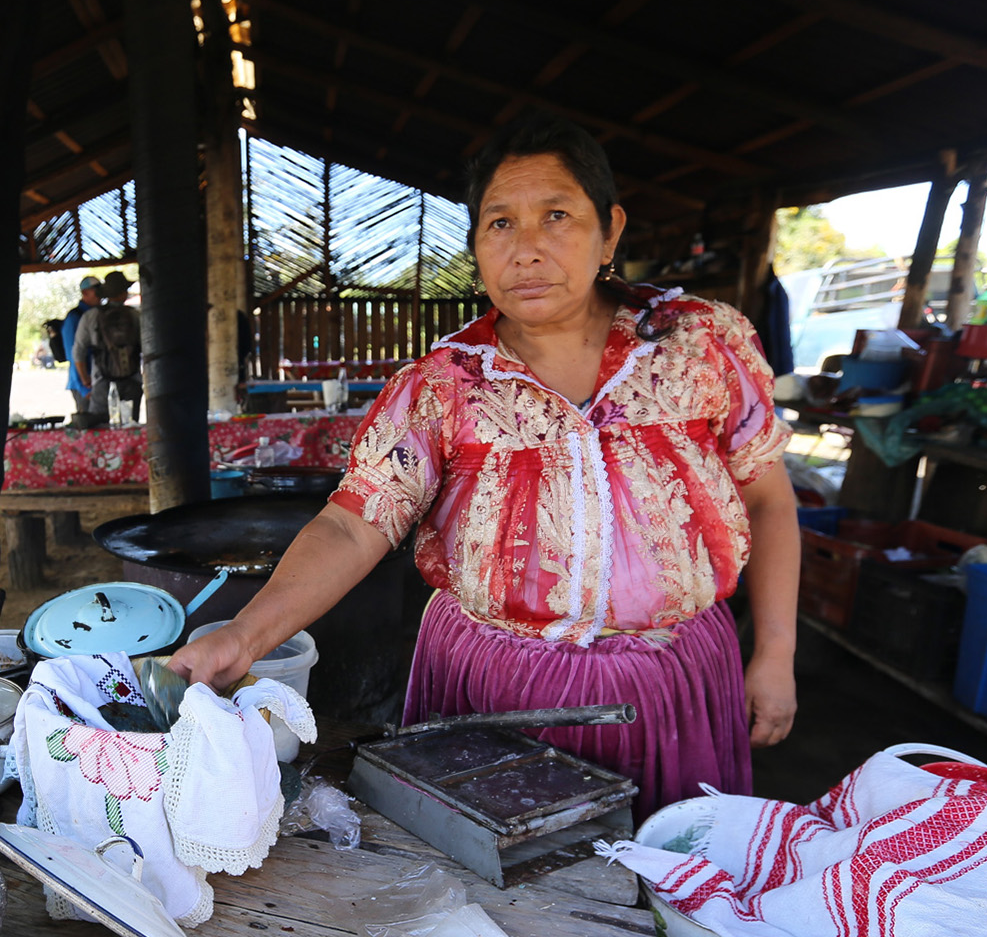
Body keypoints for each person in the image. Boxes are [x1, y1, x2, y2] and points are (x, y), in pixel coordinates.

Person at [167, 111, 800, 821]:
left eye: (556, 216)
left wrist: (775, 652)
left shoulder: (698, 346)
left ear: (610, 230)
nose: (527, 250)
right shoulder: (445, 385)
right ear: (475, 244)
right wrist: (243, 636)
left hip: (671, 684)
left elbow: (769, 499)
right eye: (500, 224)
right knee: (498, 881)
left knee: (663, 880)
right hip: (494, 684)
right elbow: (353, 524)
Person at [73, 271, 143, 422]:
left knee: (99, 430)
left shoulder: (91, 316)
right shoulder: (136, 316)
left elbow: (78, 351)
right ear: (124, 292)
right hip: (132, 381)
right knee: (129, 428)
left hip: (102, 381)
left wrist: (86, 380)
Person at [62, 275, 102, 413]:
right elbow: (74, 354)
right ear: (85, 293)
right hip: (84, 384)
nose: (101, 295)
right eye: (96, 291)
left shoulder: (97, 314)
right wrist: (84, 387)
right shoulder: (74, 318)